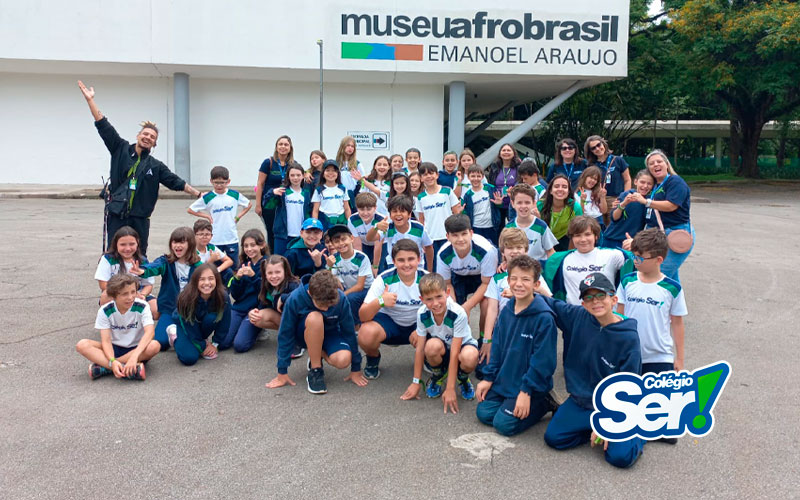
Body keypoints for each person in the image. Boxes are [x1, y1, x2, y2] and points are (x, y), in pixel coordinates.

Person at [78, 81, 200, 254]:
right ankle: (113, 280)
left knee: (139, 254)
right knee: (114, 252)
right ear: (138, 136)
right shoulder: (120, 148)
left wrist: (199, 194)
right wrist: (90, 100)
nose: (148, 137)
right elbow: (103, 125)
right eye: (145, 134)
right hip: (117, 214)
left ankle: (137, 281)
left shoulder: (156, 166)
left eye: (152, 137)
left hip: (140, 219)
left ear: (155, 143)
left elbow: (176, 182)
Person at [542, 272, 644, 469]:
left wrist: (607, 422)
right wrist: (526, 290)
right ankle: (592, 429)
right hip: (583, 401)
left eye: (600, 296)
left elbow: (630, 386)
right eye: (588, 297)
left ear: (614, 299)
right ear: (583, 304)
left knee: (620, 458)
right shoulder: (578, 316)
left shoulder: (628, 337)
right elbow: (551, 303)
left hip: (615, 408)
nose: (594, 301)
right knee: (554, 438)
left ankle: (638, 431)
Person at [475, 255, 560, 437]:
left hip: (529, 384)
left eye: (525, 279)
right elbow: (497, 347)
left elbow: (543, 362)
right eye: (514, 278)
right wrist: (488, 378)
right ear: (508, 280)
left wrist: (526, 391)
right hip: (506, 379)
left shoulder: (544, 318)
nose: (518, 284)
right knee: (484, 413)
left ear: (536, 285)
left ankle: (544, 401)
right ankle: (510, 400)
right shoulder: (507, 310)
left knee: (503, 424)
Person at [266, 270, 368, 394]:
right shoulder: (295, 298)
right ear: (311, 294)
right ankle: (315, 370)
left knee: (343, 360)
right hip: (304, 335)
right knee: (316, 317)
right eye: (322, 305)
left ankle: (318, 352)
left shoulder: (341, 298)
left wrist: (356, 368)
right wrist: (282, 372)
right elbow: (285, 334)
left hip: (330, 334)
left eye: (330, 305)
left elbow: (349, 332)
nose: (326, 309)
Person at [401, 273, 479, 412]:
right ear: (422, 299)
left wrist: (450, 389)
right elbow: (419, 349)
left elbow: (455, 352)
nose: (435, 303)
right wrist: (416, 381)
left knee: (470, 356)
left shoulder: (458, 313)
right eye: (429, 299)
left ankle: (462, 378)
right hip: (442, 348)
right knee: (430, 347)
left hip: (460, 348)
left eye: (439, 296)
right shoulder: (422, 314)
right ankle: (438, 374)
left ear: (447, 293)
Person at [480, 228, 552, 378]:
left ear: (526, 250)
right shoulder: (498, 278)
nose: (514, 251)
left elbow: (549, 298)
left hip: (528, 331)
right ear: (503, 252)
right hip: (504, 331)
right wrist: (487, 340)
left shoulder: (533, 274)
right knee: (484, 370)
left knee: (520, 370)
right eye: (510, 247)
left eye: (519, 247)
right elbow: (492, 310)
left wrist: (523, 293)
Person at [617, 229, 687, 374]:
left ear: (659, 260)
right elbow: (619, 316)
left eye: (640, 258)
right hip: (629, 353)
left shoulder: (672, 288)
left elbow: (677, 323)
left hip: (660, 358)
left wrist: (680, 359)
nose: (635, 261)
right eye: (634, 256)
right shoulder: (627, 281)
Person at [358, 240, 427, 379]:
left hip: (417, 324)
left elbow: (443, 311)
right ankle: (373, 358)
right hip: (390, 323)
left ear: (419, 259)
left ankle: (429, 358)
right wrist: (381, 301)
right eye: (401, 260)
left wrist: (422, 328)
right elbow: (363, 315)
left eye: (411, 259)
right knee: (365, 334)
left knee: (437, 338)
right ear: (394, 261)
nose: (406, 264)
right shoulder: (384, 279)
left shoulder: (427, 278)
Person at [77, 273, 160, 381]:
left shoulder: (142, 306)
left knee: (154, 345)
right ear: (114, 295)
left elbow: (150, 333)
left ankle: (107, 367)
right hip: (114, 347)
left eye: (133, 292)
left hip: (137, 349)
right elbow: (106, 341)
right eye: (124, 294)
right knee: (82, 345)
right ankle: (124, 368)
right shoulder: (105, 310)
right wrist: (112, 360)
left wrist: (134, 356)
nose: (130, 297)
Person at [131, 227, 202, 351]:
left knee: (193, 338)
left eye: (182, 242)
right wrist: (142, 271)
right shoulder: (166, 261)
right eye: (175, 242)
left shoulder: (198, 266)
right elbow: (154, 267)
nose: (177, 246)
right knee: (161, 343)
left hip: (190, 311)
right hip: (169, 309)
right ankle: (173, 333)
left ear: (190, 244)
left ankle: (179, 335)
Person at [543, 216, 632, 305]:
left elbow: (640, 262)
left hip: (606, 313)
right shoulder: (560, 260)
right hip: (574, 314)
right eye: (577, 235)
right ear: (572, 238)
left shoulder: (612, 255)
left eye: (587, 234)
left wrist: (634, 245)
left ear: (596, 236)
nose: (583, 239)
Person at [436, 214, 498, 337]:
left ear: (471, 233)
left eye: (464, 234)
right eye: (455, 235)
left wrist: (467, 306)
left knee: (486, 304)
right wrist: (456, 308)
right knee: (450, 308)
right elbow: (446, 284)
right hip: (459, 276)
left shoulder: (486, 250)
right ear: (447, 237)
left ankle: (483, 337)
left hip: (482, 277)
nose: (460, 239)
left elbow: (487, 283)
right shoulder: (443, 254)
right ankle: (460, 338)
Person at [641, 149, 695, 282]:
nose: (656, 165)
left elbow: (671, 205)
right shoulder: (655, 185)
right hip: (657, 235)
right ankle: (677, 302)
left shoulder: (675, 181)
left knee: (657, 275)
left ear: (666, 164)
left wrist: (646, 202)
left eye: (659, 161)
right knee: (671, 278)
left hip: (674, 233)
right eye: (651, 163)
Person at [187, 165, 251, 268]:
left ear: (228, 181)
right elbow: (190, 209)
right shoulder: (208, 197)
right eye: (216, 182)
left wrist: (238, 217)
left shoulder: (234, 195)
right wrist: (206, 216)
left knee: (234, 266)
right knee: (214, 266)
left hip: (231, 237)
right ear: (211, 181)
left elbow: (248, 204)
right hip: (215, 238)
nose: (219, 185)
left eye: (222, 183)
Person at [168, 264, 231, 366]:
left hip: (201, 324)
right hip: (186, 326)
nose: (207, 283)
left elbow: (225, 322)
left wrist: (214, 344)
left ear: (217, 280)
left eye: (211, 279)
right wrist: (202, 346)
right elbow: (190, 328)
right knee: (189, 358)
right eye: (202, 279)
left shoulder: (223, 296)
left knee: (212, 318)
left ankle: (201, 340)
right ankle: (174, 335)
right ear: (195, 281)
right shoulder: (185, 298)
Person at [220, 229, 269, 353]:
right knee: (223, 342)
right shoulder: (243, 264)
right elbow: (235, 295)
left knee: (239, 345)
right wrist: (237, 278)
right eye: (246, 246)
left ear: (262, 245)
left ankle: (258, 330)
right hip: (239, 308)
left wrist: (253, 277)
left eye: (253, 245)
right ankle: (242, 325)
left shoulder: (268, 264)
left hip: (256, 309)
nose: (249, 249)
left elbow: (266, 293)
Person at [94, 226, 157, 319]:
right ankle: (113, 322)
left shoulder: (142, 261)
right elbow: (103, 284)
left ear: (137, 243)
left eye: (132, 244)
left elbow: (149, 284)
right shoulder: (108, 259)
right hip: (116, 294)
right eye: (123, 244)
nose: (127, 248)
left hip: (138, 293)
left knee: (156, 310)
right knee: (105, 295)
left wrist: (142, 295)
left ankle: (138, 322)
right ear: (116, 244)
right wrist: (123, 294)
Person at [366, 195, 434, 273]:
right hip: (394, 265)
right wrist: (376, 227)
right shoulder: (388, 227)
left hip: (417, 266)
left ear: (409, 214)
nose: (398, 214)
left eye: (402, 211)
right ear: (390, 214)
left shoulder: (419, 228)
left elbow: (429, 247)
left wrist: (429, 270)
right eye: (394, 211)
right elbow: (370, 238)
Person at [325, 224, 374, 327]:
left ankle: (356, 326)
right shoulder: (334, 258)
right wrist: (329, 267)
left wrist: (342, 295)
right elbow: (331, 281)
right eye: (336, 241)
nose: (341, 243)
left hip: (367, 289)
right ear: (333, 244)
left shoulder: (361, 257)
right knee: (330, 294)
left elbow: (360, 286)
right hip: (348, 288)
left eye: (344, 239)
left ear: (352, 238)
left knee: (350, 298)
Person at [415, 162, 461, 265]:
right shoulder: (421, 197)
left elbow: (457, 214)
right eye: (425, 174)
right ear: (421, 178)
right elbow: (421, 220)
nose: (429, 177)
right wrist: (422, 240)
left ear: (437, 175)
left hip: (448, 236)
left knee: (449, 264)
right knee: (433, 266)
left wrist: (455, 233)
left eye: (431, 173)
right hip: (431, 238)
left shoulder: (447, 191)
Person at [246, 255, 301, 337]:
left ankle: (298, 336)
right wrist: (253, 312)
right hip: (284, 319)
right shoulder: (267, 285)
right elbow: (263, 304)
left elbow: (300, 302)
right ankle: (289, 333)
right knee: (257, 318)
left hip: (299, 321)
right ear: (265, 274)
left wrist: (284, 298)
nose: (274, 276)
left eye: (278, 272)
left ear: (285, 272)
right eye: (270, 273)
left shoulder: (293, 285)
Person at [256, 135, 294, 253]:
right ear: (276, 147)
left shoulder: (292, 164)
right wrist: (258, 205)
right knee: (271, 230)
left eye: (286, 144)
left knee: (283, 230)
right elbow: (260, 184)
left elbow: (300, 176)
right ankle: (271, 256)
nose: (283, 147)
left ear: (290, 147)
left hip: (285, 204)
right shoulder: (269, 162)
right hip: (270, 203)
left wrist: (307, 173)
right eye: (280, 144)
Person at [584, 135, 632, 225]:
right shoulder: (591, 164)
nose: (597, 149)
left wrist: (624, 197)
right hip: (597, 200)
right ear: (591, 151)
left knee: (614, 227)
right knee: (598, 228)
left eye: (599, 145)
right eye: (593, 148)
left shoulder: (618, 160)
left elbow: (627, 180)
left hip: (615, 199)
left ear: (604, 144)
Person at [267, 162, 312, 256]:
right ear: (288, 177)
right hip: (282, 236)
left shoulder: (306, 193)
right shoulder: (283, 192)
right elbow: (268, 206)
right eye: (292, 175)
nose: (295, 178)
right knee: (280, 262)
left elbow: (309, 213)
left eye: (298, 175)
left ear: (303, 176)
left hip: (301, 236)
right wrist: (272, 193)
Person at [603, 169, 655, 250]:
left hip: (629, 242)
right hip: (611, 239)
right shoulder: (626, 194)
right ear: (635, 182)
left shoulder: (650, 202)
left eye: (649, 184)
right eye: (642, 182)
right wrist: (624, 203)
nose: (645, 186)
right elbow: (614, 218)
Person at [506, 184, 558, 260]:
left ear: (534, 203)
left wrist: (553, 269)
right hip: (516, 269)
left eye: (527, 202)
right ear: (513, 203)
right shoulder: (508, 228)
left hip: (537, 269)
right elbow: (505, 251)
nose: (523, 206)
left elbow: (550, 251)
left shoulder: (541, 226)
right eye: (519, 203)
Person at [537, 174, 583, 251]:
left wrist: (569, 254)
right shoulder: (540, 205)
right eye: (557, 186)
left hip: (565, 239)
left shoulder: (575, 207)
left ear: (568, 191)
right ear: (550, 190)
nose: (560, 189)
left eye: (564, 187)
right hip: (543, 239)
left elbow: (577, 231)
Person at [462, 164, 500, 245]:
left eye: (478, 176)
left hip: (491, 226)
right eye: (473, 176)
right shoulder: (468, 195)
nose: (475, 179)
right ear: (468, 177)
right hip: (476, 227)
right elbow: (465, 212)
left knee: (493, 248)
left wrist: (499, 204)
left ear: (482, 177)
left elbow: (498, 204)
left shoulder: (490, 188)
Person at [485, 143, 521, 225]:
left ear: (513, 153)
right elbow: (491, 183)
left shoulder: (518, 167)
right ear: (500, 154)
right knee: (498, 229)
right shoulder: (495, 167)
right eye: (504, 150)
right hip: (498, 204)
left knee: (513, 228)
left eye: (509, 150)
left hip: (513, 203)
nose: (506, 152)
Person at [312, 160, 351, 229]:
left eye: (334, 170)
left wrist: (350, 224)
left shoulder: (343, 188)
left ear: (338, 173)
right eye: (327, 170)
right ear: (323, 174)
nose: (330, 173)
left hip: (340, 221)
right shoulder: (319, 190)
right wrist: (315, 225)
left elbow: (347, 209)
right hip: (324, 221)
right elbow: (315, 210)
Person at [347, 192, 384, 267]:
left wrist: (375, 266)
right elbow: (357, 245)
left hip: (381, 246)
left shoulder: (381, 220)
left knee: (379, 269)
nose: (365, 213)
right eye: (362, 209)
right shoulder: (352, 219)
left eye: (369, 209)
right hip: (364, 244)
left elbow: (378, 245)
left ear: (375, 208)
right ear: (357, 208)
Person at [193, 220, 234, 284]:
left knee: (228, 271)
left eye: (207, 234)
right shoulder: (192, 250)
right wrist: (211, 260)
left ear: (211, 236)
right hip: (196, 277)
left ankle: (224, 293)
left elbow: (229, 261)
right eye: (201, 234)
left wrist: (217, 270)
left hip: (209, 274)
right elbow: (200, 270)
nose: (204, 237)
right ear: (194, 235)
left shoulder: (211, 247)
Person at [575, 166, 608, 232]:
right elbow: (580, 212)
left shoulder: (598, 192)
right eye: (591, 177)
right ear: (584, 177)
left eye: (595, 179)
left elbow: (604, 211)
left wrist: (602, 197)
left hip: (598, 220)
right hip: (585, 220)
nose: (593, 181)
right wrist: (582, 200)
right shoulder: (577, 194)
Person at [335, 136, 364, 210]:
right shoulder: (336, 163)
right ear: (342, 146)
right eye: (348, 145)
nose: (350, 148)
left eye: (352, 146)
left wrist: (359, 193)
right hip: (338, 195)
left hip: (353, 195)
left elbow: (363, 181)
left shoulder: (357, 164)